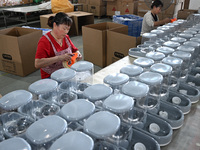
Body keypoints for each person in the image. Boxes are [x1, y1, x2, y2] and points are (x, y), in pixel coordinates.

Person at [35, 12, 82, 79]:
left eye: (68, 29)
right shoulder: (44, 41)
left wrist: (78, 54)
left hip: (66, 72)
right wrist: (59, 58)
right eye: (64, 29)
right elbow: (37, 63)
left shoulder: (66, 37)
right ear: (55, 25)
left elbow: (74, 50)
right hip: (51, 77)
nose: (66, 32)